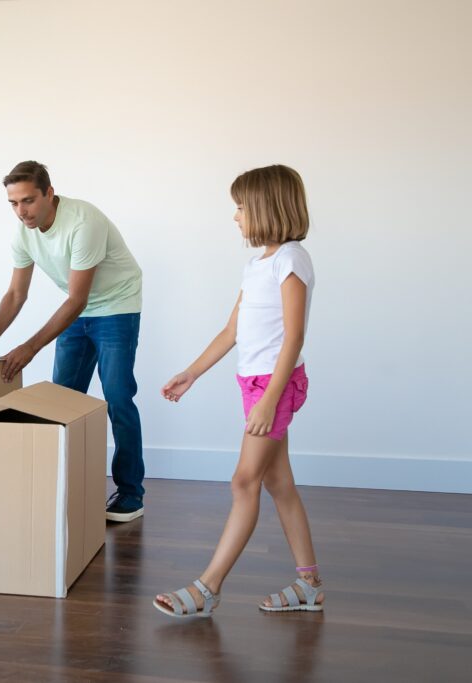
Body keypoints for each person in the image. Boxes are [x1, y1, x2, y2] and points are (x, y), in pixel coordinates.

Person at [153, 164, 322, 618]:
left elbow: (294, 336)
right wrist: (192, 373)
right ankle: (309, 584)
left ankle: (209, 587)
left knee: (243, 481)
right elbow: (233, 330)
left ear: (267, 207)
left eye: (241, 208)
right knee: (278, 482)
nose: (236, 217)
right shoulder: (256, 265)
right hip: (255, 384)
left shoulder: (291, 259)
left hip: (275, 385)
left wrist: (271, 398)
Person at [0, 161, 146, 522]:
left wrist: (29, 346)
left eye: (28, 200)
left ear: (49, 193)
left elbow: (76, 300)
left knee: (118, 396)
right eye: (13, 203)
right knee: (60, 402)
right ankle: (59, 486)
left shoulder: (83, 223)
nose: (21, 211)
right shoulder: (23, 234)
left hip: (116, 306)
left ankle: (132, 493)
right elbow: (15, 294)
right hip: (77, 309)